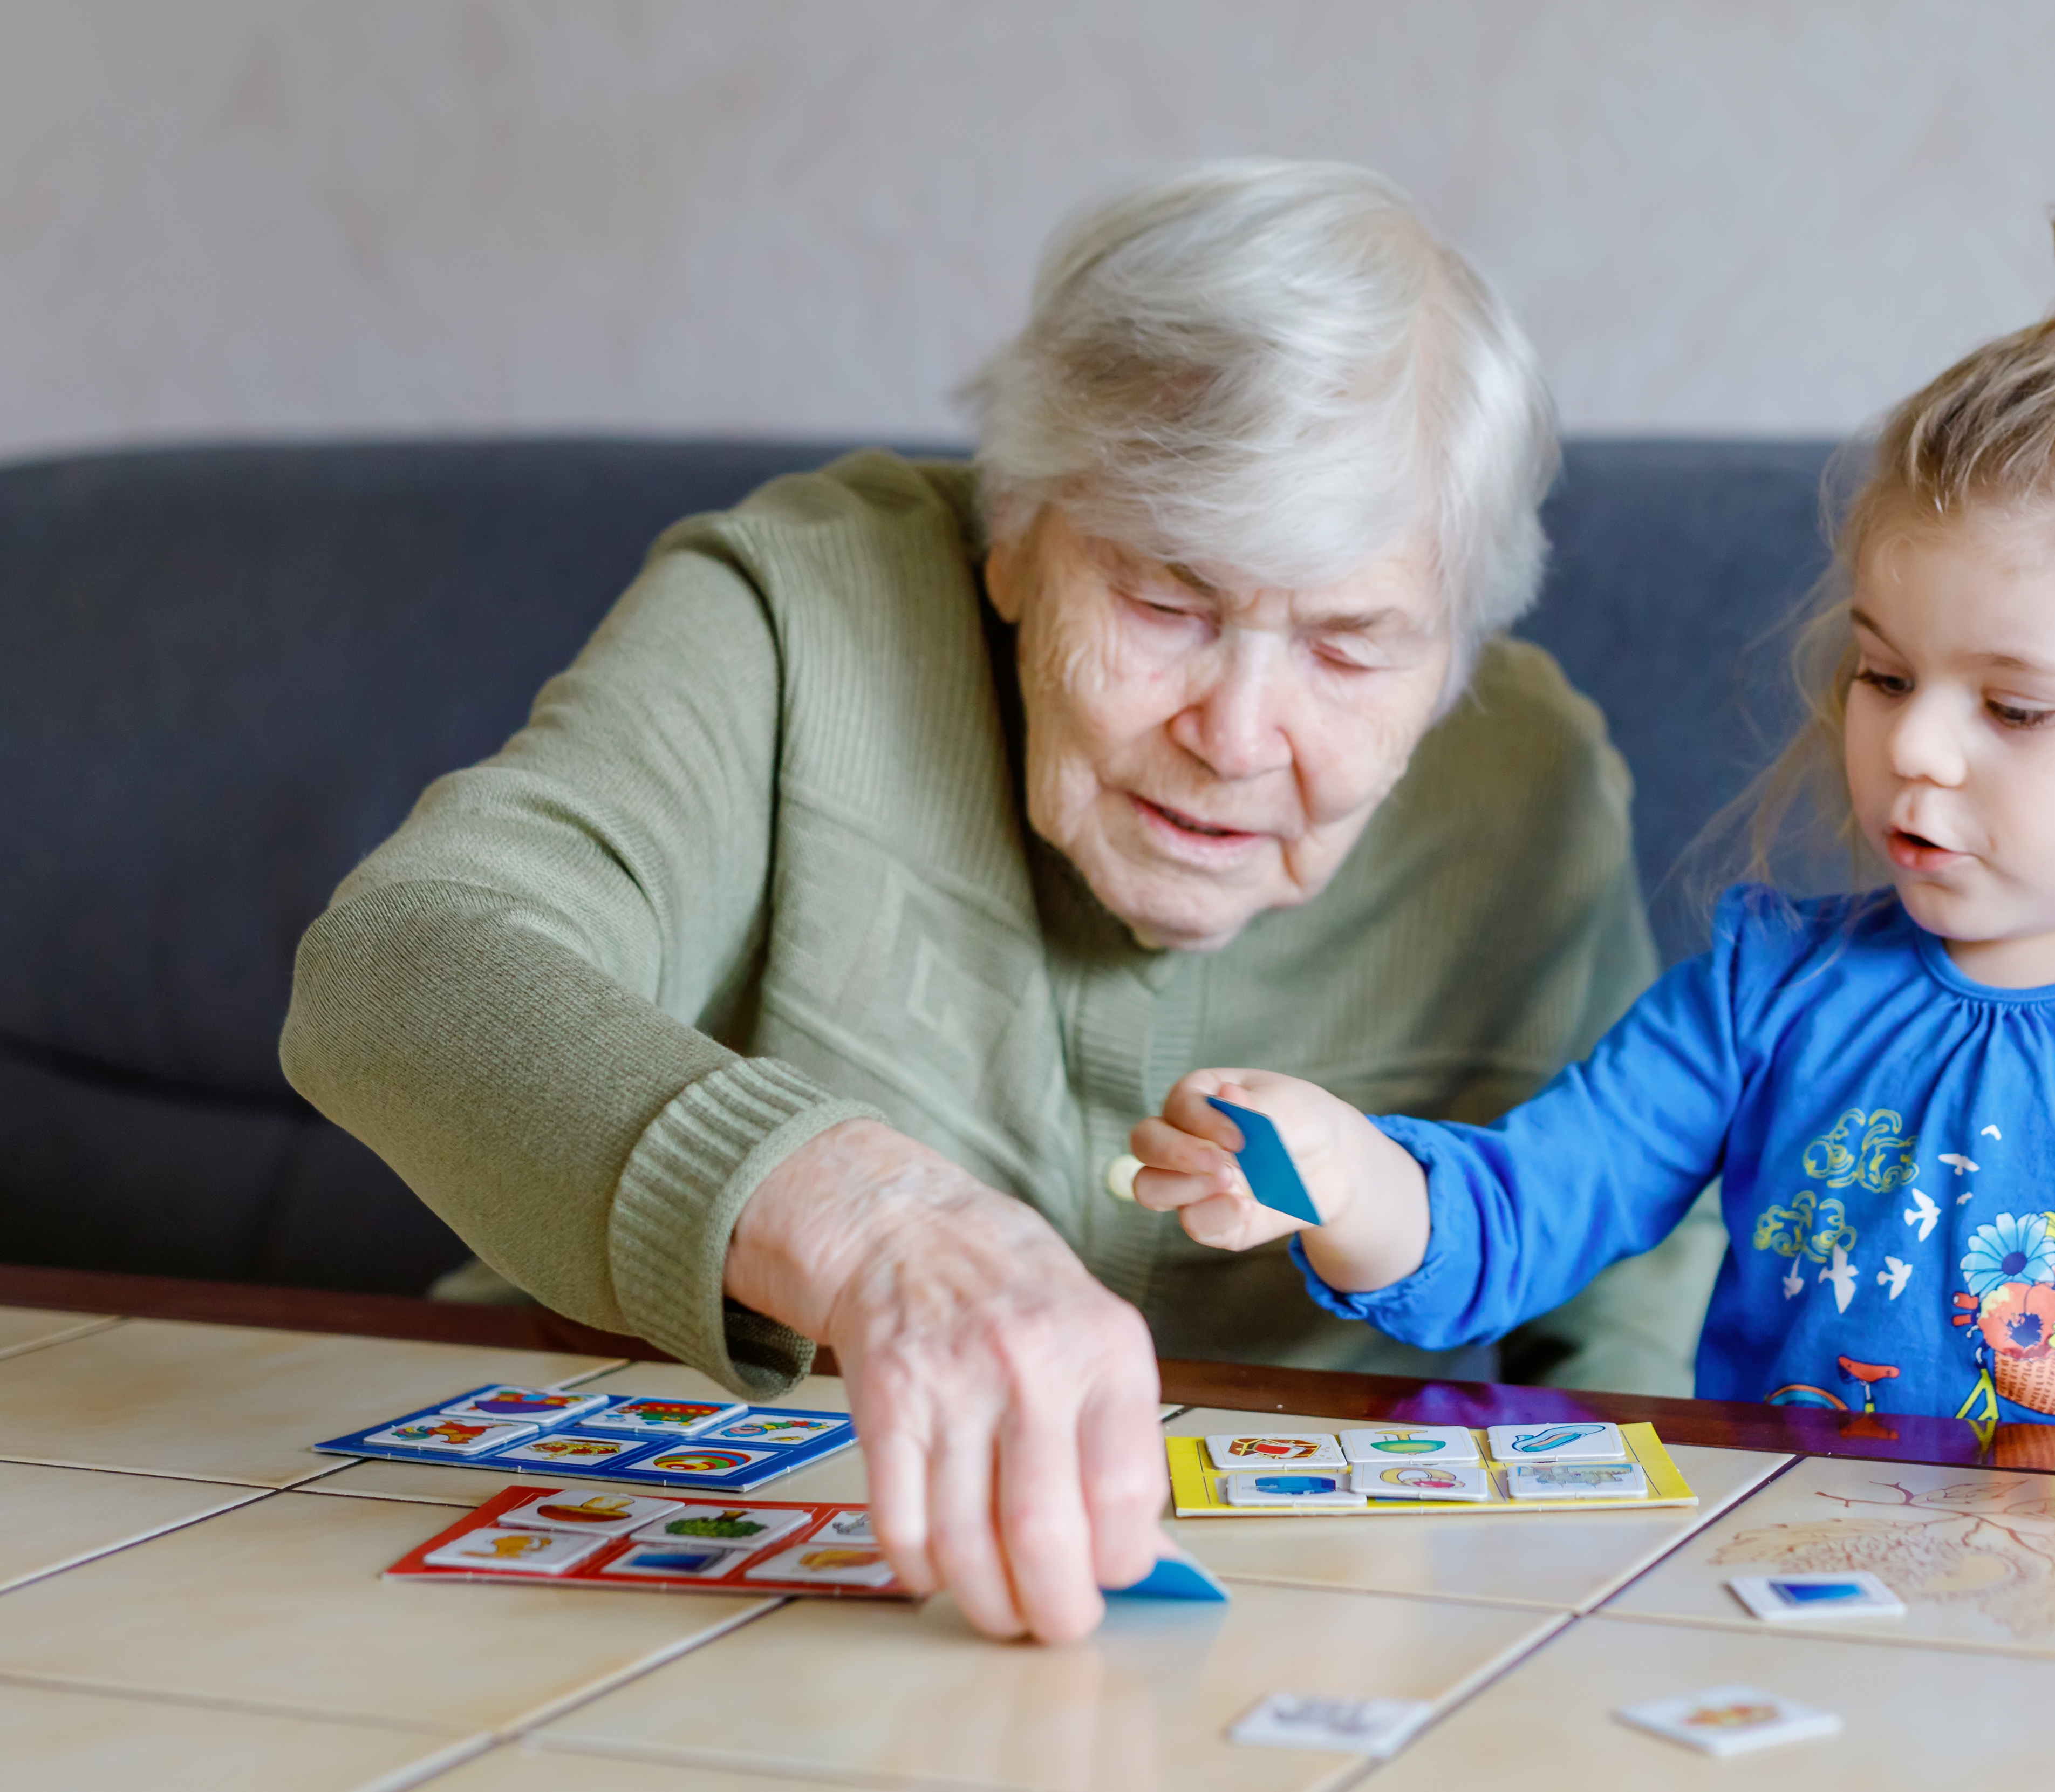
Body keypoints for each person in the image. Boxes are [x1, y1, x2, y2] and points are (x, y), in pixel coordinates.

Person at [282, 161, 1722, 1641]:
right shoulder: (804, 610)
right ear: (1018, 530)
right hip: (650, 1566)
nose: (1236, 735)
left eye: (1351, 648)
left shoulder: (1530, 784)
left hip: (1276, 1640)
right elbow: (395, 965)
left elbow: (1632, 1311)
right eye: (1167, 603)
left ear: (1456, 647)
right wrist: (863, 1219)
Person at [1128, 146, 2055, 1523]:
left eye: (2017, 709)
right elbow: (1508, 1223)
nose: (1911, 746)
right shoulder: (1763, 990)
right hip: (1791, 1640)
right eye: (1883, 672)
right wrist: (1339, 1177)